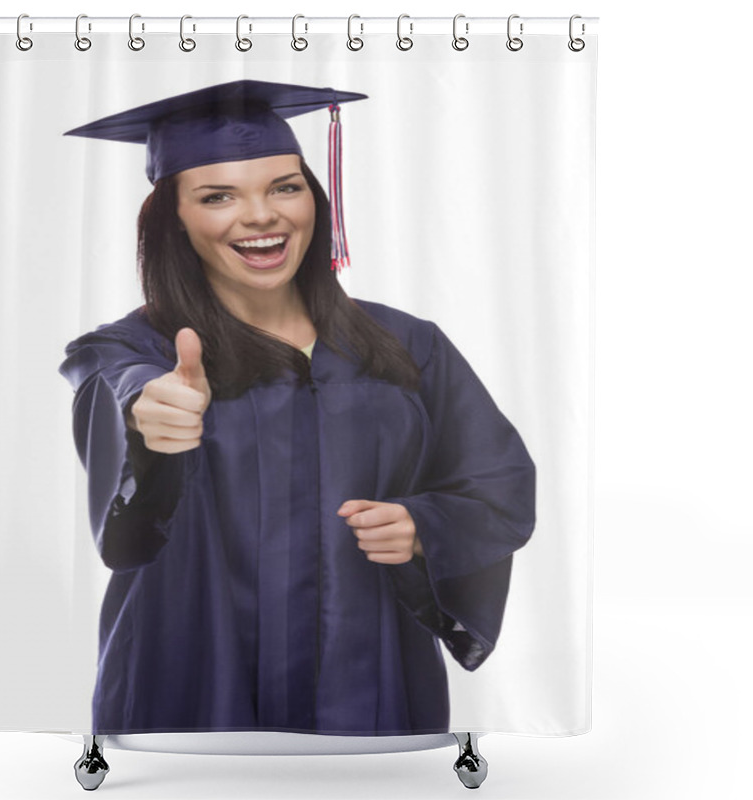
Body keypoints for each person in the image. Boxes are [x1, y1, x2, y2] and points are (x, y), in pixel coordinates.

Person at [59, 80, 536, 736]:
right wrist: (147, 418)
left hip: (367, 669)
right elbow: (120, 394)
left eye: (284, 186)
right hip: (193, 671)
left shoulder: (408, 344)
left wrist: (425, 525)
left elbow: (499, 485)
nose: (261, 215)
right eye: (218, 195)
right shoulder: (133, 349)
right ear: (172, 219)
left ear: (316, 194)